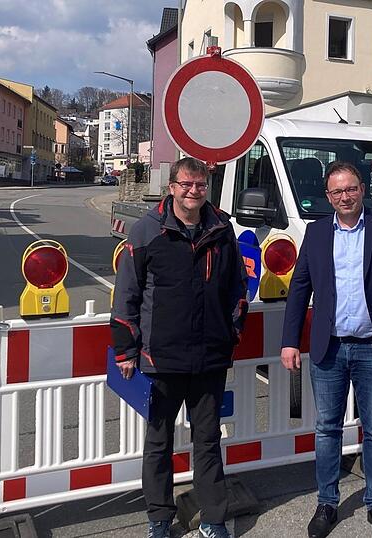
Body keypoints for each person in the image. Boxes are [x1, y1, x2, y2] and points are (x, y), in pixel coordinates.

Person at [280, 161, 372, 538]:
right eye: (337, 191)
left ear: (363, 189)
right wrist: (290, 340)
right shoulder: (317, 232)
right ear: (328, 196)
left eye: (351, 189)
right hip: (329, 348)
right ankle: (327, 502)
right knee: (327, 428)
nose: (345, 197)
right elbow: (300, 289)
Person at [111, 157, 249, 538]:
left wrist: (232, 330)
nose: (193, 191)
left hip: (210, 357)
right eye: (186, 184)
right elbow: (127, 294)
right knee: (159, 442)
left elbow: (237, 287)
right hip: (160, 358)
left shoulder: (222, 228)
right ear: (171, 186)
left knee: (207, 442)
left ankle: (213, 519)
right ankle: (159, 518)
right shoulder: (146, 231)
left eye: (200, 185)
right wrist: (126, 350)